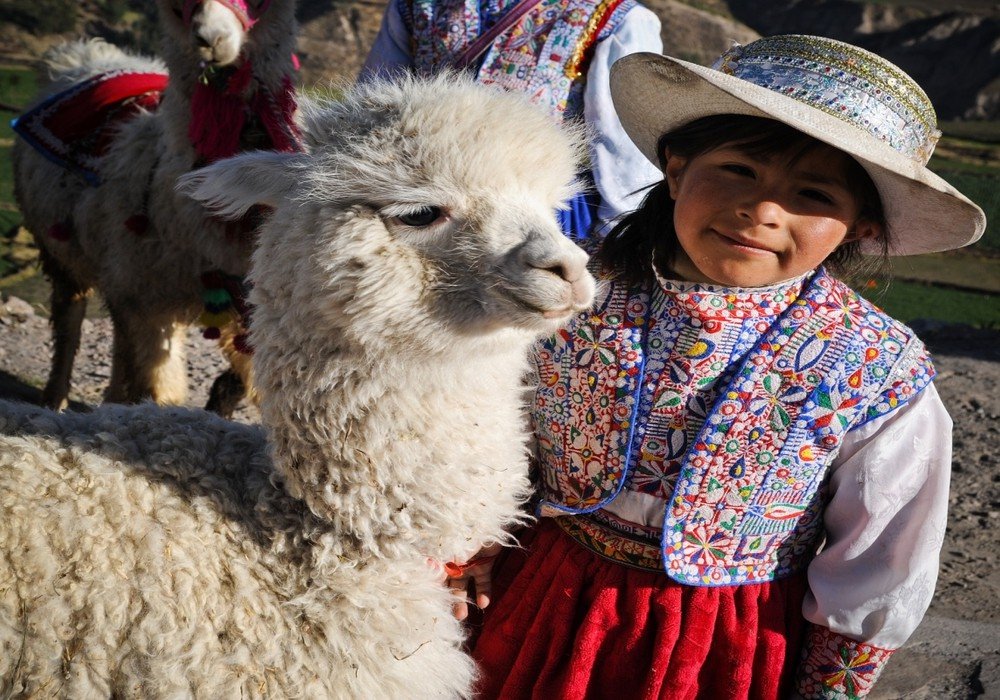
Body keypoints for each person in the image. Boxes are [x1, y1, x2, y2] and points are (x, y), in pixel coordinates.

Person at [448, 34, 986, 699]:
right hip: (540, 599)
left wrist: (831, 686)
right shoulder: (571, 297)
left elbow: (883, 555)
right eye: (738, 170)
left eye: (812, 193)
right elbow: (483, 431)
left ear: (861, 229)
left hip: (726, 642)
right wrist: (466, 546)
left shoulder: (873, 368)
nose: (762, 210)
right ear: (676, 169)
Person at [358, 0, 665, 239]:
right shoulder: (416, 7)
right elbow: (378, 108)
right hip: (432, 202)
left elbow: (623, 140)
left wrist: (622, 229)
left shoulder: (612, 16)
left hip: (540, 207)